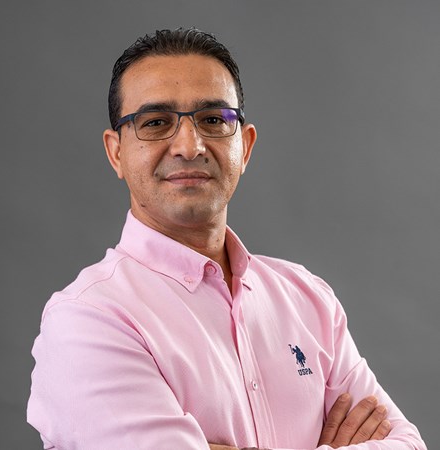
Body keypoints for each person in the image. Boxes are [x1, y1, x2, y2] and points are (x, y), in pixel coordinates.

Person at [27, 28, 426, 450]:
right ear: (117, 153)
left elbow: (408, 444)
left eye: (213, 120)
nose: (189, 146)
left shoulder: (308, 299)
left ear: (245, 146)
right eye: (156, 123)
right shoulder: (87, 319)